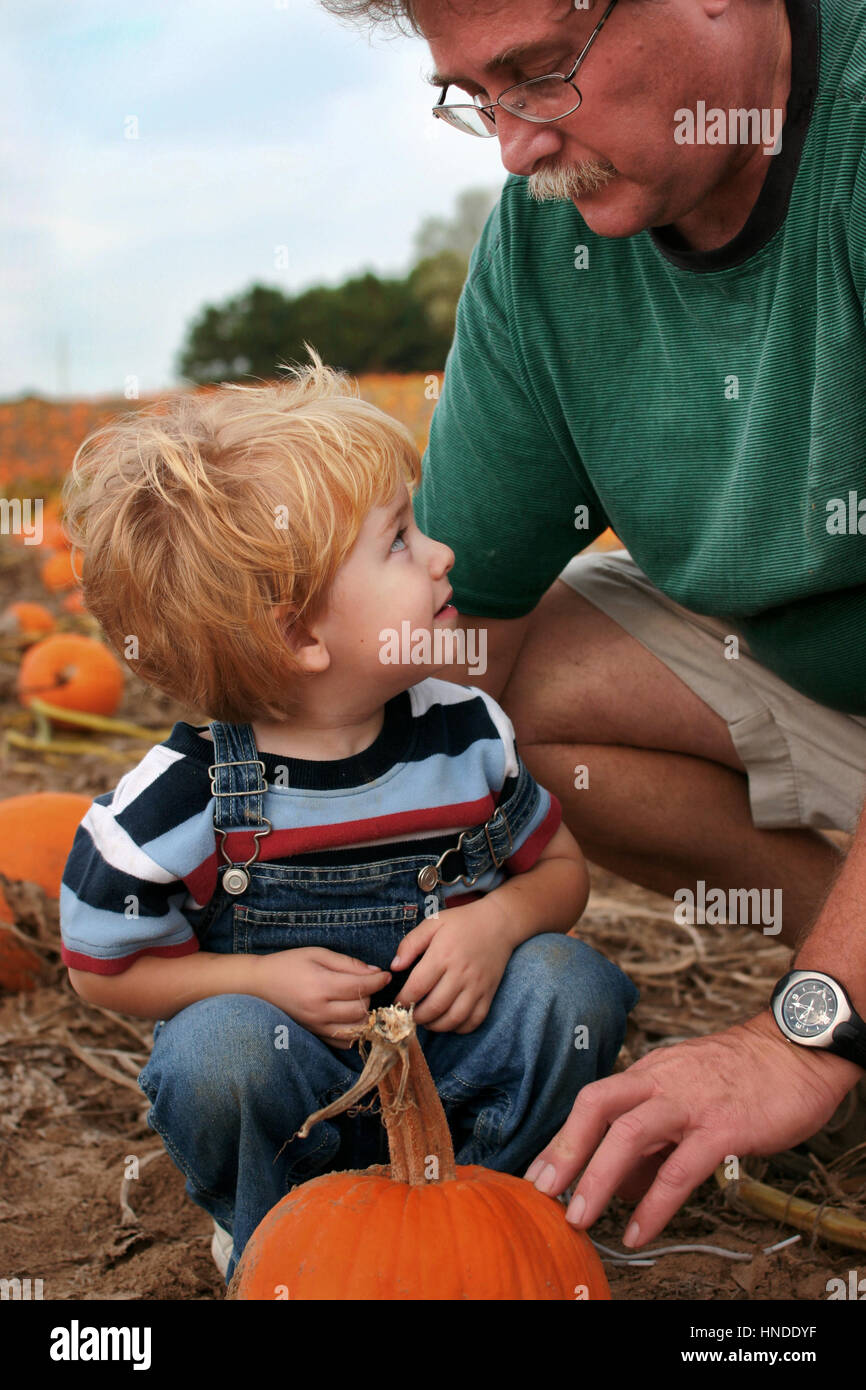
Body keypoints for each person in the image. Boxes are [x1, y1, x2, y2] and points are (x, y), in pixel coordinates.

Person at [318, 0, 866, 1250]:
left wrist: (810, 1027)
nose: (511, 145)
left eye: (539, 72)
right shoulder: (548, 246)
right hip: (812, 674)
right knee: (507, 712)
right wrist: (321, 925)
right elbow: (461, 648)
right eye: (472, 93)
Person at [57, 353, 638, 1284]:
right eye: (401, 542)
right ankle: (279, 1227)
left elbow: (560, 870)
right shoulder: (179, 801)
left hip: (458, 1063)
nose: (443, 553)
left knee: (570, 985)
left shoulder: (466, 731)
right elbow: (101, 970)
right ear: (299, 636)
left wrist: (499, 922)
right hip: (301, 1086)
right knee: (223, 1049)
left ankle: (493, 1213)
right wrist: (261, 978)